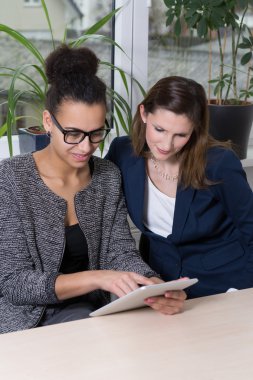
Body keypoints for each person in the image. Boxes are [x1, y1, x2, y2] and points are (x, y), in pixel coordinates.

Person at [0, 47, 187, 334]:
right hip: (24, 325)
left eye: (96, 133)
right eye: (73, 134)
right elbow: (15, 284)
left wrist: (152, 284)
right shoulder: (11, 179)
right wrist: (98, 278)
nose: (86, 147)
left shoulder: (107, 177)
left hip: (91, 316)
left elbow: (120, 252)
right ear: (48, 122)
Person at [106, 75, 253, 299]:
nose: (166, 145)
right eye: (160, 129)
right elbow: (92, 189)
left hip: (226, 284)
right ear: (144, 113)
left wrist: (241, 294)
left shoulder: (219, 164)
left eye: (181, 135)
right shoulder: (123, 153)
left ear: (194, 129)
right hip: (161, 284)